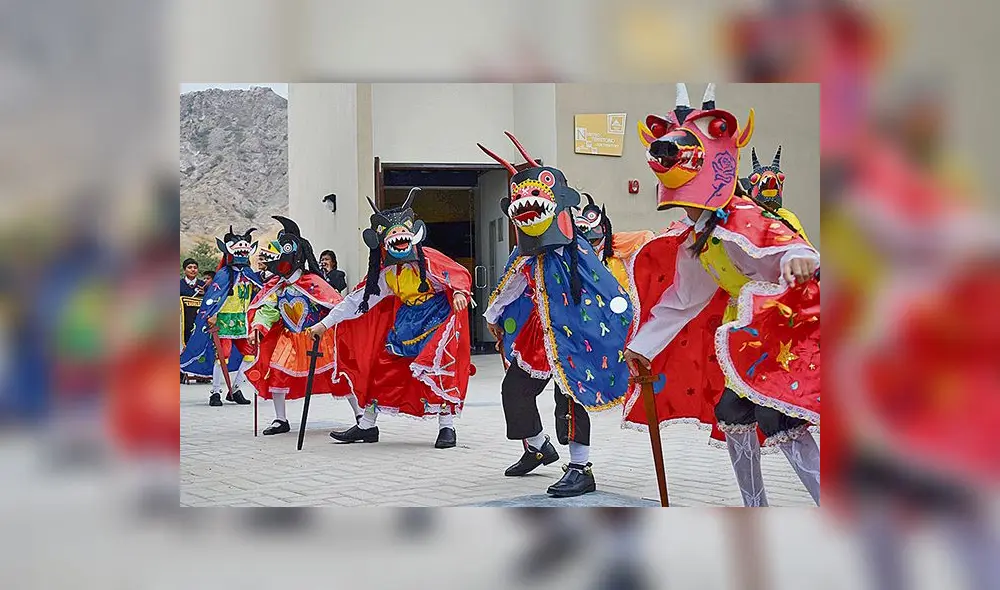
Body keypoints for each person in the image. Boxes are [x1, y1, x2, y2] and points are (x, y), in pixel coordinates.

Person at [622, 84, 821, 507]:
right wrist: (643, 347)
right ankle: (755, 506)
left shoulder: (745, 215)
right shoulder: (700, 236)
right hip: (746, 335)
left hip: (785, 326)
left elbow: (791, 244)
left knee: (778, 417)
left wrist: (799, 260)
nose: (685, 211)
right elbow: (683, 298)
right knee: (732, 412)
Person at [478, 132, 634, 498]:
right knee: (514, 391)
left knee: (569, 396)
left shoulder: (576, 249)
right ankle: (538, 446)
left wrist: (623, 319)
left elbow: (604, 286)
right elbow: (513, 282)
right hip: (538, 333)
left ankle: (581, 468)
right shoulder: (528, 252)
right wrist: (492, 312)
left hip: (574, 332)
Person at [310, 188, 472, 448]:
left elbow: (456, 275)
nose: (398, 237)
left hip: (438, 321)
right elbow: (358, 301)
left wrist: (459, 293)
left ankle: (447, 427)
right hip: (407, 324)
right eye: (392, 234)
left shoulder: (428, 262)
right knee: (384, 369)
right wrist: (323, 324)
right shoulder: (387, 274)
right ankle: (367, 426)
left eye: (401, 232)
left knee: (440, 370)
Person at [244, 216, 360, 435]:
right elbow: (268, 309)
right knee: (277, 372)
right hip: (288, 338)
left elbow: (334, 305)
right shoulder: (276, 286)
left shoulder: (314, 283)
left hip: (317, 338)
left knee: (339, 374)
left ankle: (360, 414)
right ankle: (280, 420)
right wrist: (258, 327)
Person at [180, 227, 263, 406]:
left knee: (251, 355)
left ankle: (236, 389)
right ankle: (215, 392)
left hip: (242, 322)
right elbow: (213, 298)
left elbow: (260, 293)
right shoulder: (224, 274)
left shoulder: (249, 274)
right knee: (222, 357)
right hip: (223, 321)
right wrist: (212, 315)